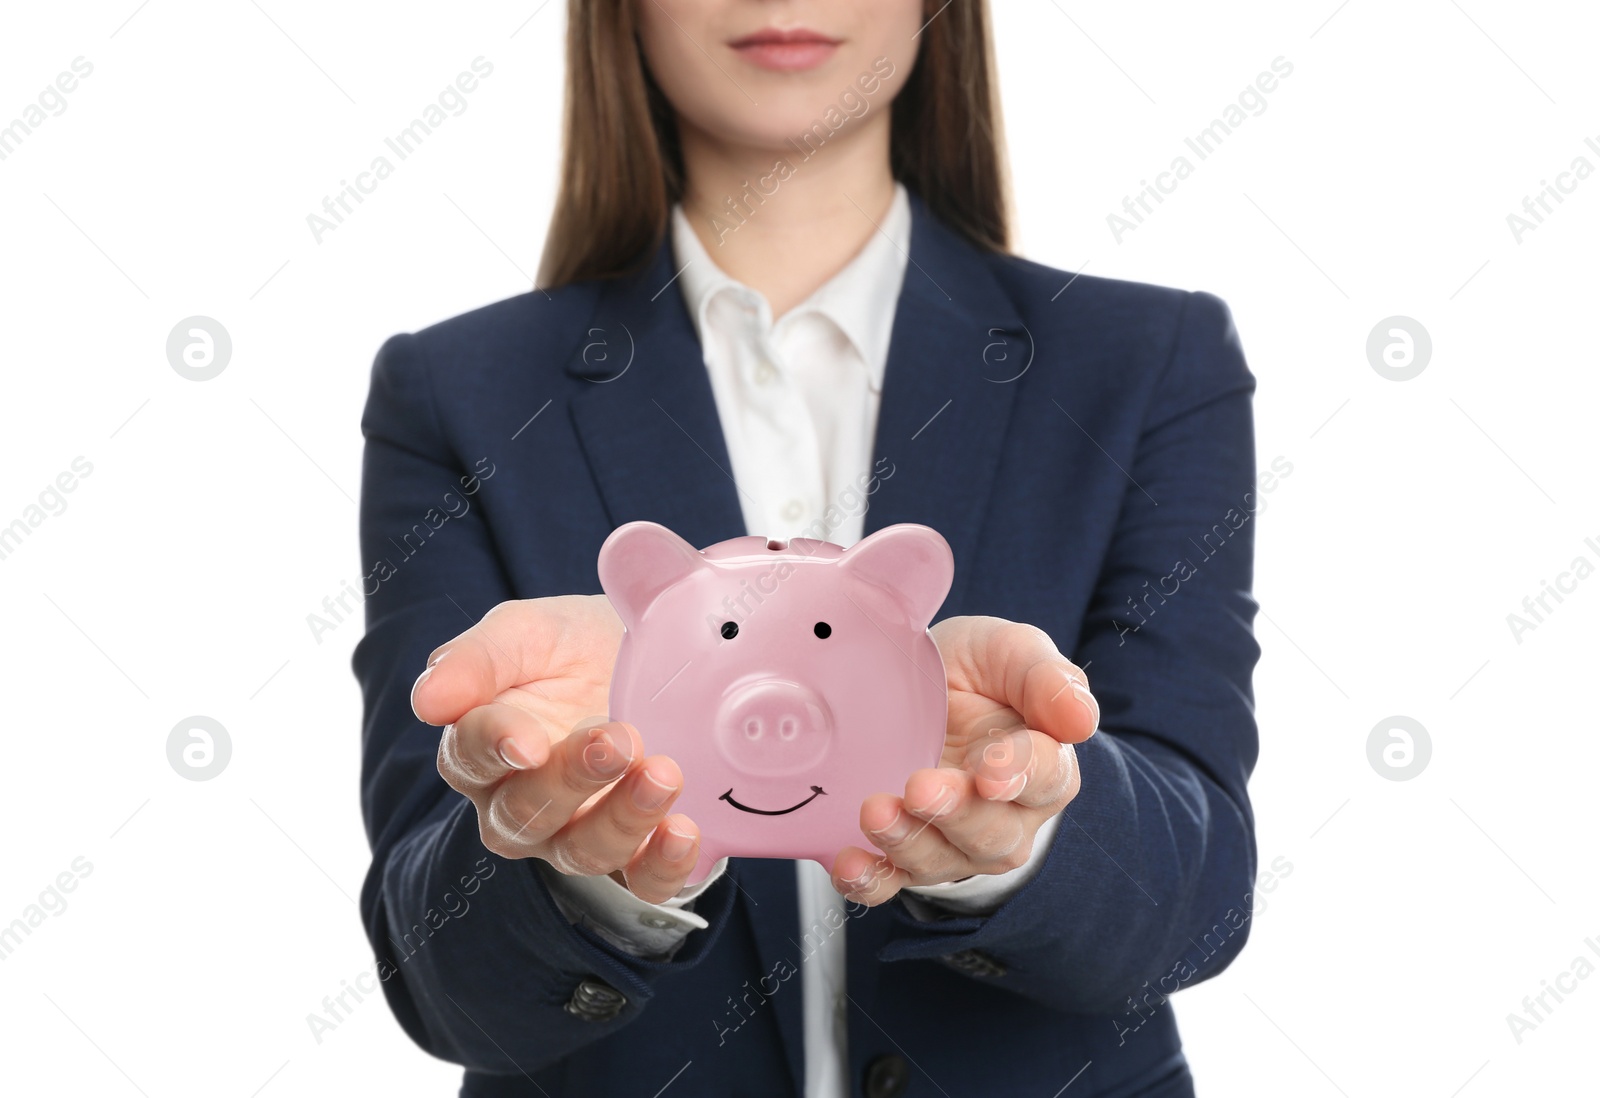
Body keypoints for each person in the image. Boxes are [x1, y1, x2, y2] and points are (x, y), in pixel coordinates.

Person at [354, 2, 1261, 1095]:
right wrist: (584, 857)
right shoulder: (457, 395)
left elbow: (1202, 902)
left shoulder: (1148, 364)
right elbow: (438, 979)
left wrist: (1023, 821)